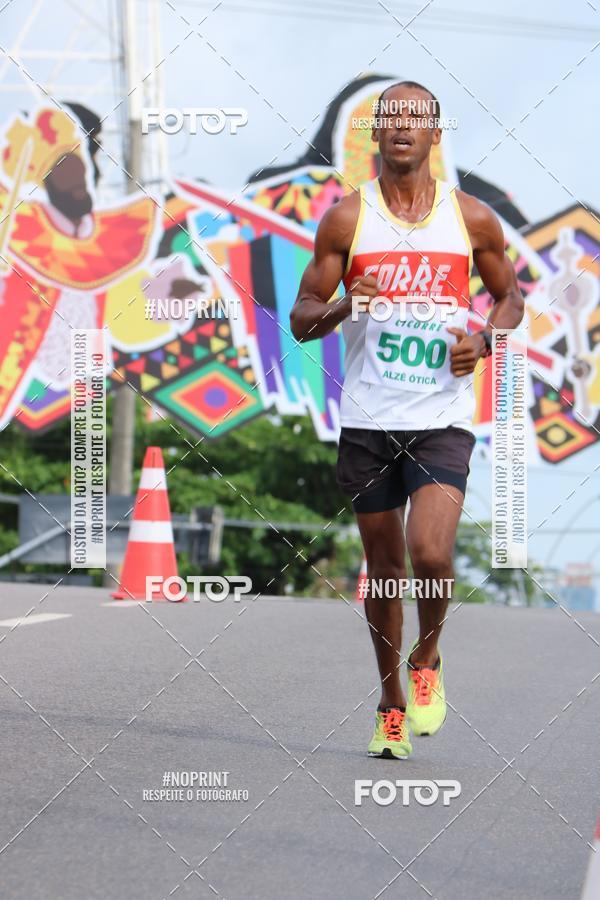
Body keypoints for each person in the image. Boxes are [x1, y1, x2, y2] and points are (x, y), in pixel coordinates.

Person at [290, 81, 524, 758]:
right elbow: (303, 318)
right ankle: (390, 702)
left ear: (434, 135)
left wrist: (483, 342)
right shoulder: (345, 221)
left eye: (416, 119)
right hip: (367, 420)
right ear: (376, 133)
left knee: (429, 552)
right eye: (390, 117)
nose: (402, 127)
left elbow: (509, 301)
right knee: (386, 569)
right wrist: (343, 307)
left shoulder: (472, 219)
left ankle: (428, 658)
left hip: (441, 416)